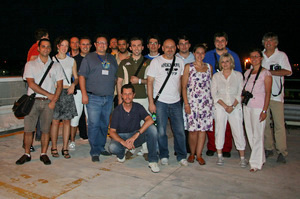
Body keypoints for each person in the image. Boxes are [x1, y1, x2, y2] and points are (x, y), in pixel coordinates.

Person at [16, 38, 64, 165]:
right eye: (43, 46)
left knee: (45, 130)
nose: (46, 49)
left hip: (48, 103)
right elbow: (31, 84)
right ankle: (27, 153)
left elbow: (60, 85)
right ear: (38, 48)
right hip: (32, 102)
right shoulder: (30, 65)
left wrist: (54, 100)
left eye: (48, 47)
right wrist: (50, 95)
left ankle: (43, 153)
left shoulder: (56, 65)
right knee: (28, 130)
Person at [147, 39, 188, 166]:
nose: (170, 49)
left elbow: (182, 82)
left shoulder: (180, 62)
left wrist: (182, 98)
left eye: (172, 47)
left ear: (175, 48)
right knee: (161, 131)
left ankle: (181, 156)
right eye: (167, 47)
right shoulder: (156, 62)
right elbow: (149, 82)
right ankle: (164, 155)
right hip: (160, 102)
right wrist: (151, 102)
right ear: (162, 48)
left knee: (180, 130)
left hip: (175, 101)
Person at [78, 34, 118, 162]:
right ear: (95, 44)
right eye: (99, 43)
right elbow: (82, 76)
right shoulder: (89, 58)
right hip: (93, 97)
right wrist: (84, 93)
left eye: (105, 43)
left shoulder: (112, 58)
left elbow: (116, 77)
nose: (102, 45)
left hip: (108, 98)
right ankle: (94, 151)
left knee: (104, 125)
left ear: (108, 45)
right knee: (94, 125)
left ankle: (101, 147)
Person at [203, 32, 242, 158]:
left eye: (222, 40)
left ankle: (226, 148)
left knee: (229, 124)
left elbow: (238, 75)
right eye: (217, 41)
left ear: (226, 42)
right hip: (210, 92)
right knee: (213, 122)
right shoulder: (208, 55)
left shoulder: (234, 55)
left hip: (228, 94)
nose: (220, 43)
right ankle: (212, 146)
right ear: (214, 43)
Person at [108, 84, 160, 173]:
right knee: (112, 147)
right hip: (122, 137)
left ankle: (153, 161)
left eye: (130, 94)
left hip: (135, 136)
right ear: (121, 95)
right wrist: (123, 142)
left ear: (134, 95)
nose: (127, 97)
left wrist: (136, 135)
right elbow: (112, 132)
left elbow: (150, 120)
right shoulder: (117, 111)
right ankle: (122, 154)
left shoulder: (138, 107)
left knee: (152, 129)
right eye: (125, 94)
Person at [117, 37, 151, 158]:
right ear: (130, 48)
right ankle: (130, 148)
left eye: (139, 45)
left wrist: (140, 81)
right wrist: (120, 99)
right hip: (128, 100)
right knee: (129, 125)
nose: (136, 48)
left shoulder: (149, 62)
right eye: (134, 46)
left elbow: (152, 81)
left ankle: (146, 150)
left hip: (144, 97)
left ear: (142, 47)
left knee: (144, 124)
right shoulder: (124, 62)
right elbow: (119, 82)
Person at [211, 53, 247, 167]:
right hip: (220, 107)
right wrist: (225, 106)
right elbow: (214, 94)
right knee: (219, 130)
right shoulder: (216, 76)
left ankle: (242, 157)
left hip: (235, 107)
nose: (225, 64)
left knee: (238, 131)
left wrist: (232, 105)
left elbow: (240, 92)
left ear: (231, 62)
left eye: (227, 61)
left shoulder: (238, 75)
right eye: (223, 61)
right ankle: (220, 156)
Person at [262, 32, 292, 163]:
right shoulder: (260, 55)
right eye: (266, 41)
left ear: (276, 43)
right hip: (262, 96)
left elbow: (288, 71)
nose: (268, 43)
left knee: (279, 125)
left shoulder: (281, 56)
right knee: (265, 124)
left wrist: (270, 72)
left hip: (276, 96)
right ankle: (268, 148)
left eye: (271, 41)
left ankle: (282, 151)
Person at [182, 44, 213, 165]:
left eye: (202, 53)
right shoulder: (188, 67)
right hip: (193, 103)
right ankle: (192, 153)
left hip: (206, 103)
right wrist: (186, 103)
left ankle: (199, 154)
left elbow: (210, 86)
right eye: (197, 53)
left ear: (204, 54)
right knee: (193, 131)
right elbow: (184, 87)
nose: (200, 55)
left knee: (202, 130)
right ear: (194, 54)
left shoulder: (209, 67)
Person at [243, 49, 272, 172]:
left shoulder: (266, 74)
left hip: (258, 106)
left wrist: (264, 110)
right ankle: (260, 158)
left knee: (258, 134)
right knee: (250, 133)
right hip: (247, 106)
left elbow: (268, 92)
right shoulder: (248, 72)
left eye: (256, 56)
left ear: (261, 58)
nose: (254, 58)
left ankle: (255, 163)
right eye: (252, 56)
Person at [50, 37, 78, 159]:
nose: (64, 48)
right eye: (62, 45)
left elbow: (76, 77)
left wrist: (73, 85)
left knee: (67, 121)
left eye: (67, 45)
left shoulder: (71, 61)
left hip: (67, 91)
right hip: (56, 91)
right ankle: (54, 147)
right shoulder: (52, 60)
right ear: (57, 46)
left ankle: (65, 147)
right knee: (55, 121)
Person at [24, 28, 49, 151]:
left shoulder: (33, 47)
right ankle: (28, 145)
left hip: (37, 85)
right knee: (31, 117)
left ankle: (38, 137)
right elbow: (33, 60)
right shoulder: (35, 48)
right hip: (35, 86)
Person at [69, 37, 92, 150]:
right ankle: (72, 141)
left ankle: (93, 140)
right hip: (77, 92)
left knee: (91, 118)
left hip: (92, 92)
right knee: (75, 117)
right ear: (79, 46)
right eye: (83, 44)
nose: (85, 46)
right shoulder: (74, 60)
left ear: (91, 45)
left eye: (87, 44)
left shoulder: (94, 58)